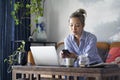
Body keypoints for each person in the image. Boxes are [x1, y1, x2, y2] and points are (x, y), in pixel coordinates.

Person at [61, 8, 103, 80]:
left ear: (83, 25)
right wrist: (65, 56)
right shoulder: (67, 39)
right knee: (67, 74)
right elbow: (70, 57)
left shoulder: (91, 38)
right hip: (76, 69)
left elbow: (88, 57)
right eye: (71, 25)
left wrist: (76, 56)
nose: (73, 28)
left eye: (77, 25)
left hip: (94, 67)